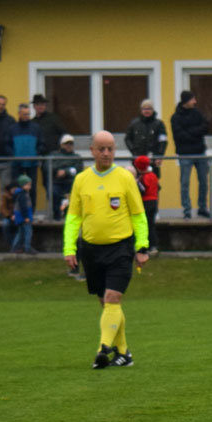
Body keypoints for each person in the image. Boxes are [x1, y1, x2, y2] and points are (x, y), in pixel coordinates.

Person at [64, 131, 151, 369]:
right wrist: (69, 248)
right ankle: (123, 353)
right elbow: (73, 217)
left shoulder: (124, 178)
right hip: (91, 249)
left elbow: (138, 215)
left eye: (110, 149)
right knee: (106, 302)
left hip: (120, 248)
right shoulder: (82, 179)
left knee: (113, 297)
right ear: (92, 151)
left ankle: (103, 349)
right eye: (101, 149)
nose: (106, 153)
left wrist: (142, 246)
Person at [170, 90, 212, 219]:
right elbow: (179, 135)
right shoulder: (176, 117)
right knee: (185, 183)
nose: (195, 101)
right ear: (186, 101)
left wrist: (191, 133)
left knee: (203, 181)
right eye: (192, 99)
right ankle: (187, 210)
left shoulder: (198, 113)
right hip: (185, 154)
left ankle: (202, 208)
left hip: (200, 152)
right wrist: (195, 134)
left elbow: (206, 127)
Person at [10, 102, 41, 205]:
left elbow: (42, 144)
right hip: (17, 163)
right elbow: (7, 144)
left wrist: (36, 153)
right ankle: (17, 209)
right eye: (24, 114)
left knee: (32, 189)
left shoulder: (36, 128)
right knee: (16, 188)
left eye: (28, 114)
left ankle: (31, 210)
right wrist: (13, 154)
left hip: (32, 163)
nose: (27, 116)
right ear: (19, 114)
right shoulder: (13, 129)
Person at [50, 134, 82, 220]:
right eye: (66, 144)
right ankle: (57, 216)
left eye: (71, 144)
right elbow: (49, 167)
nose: (69, 146)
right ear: (61, 145)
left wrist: (65, 172)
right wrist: (60, 171)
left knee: (75, 194)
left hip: (71, 183)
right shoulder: (54, 155)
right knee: (53, 192)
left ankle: (70, 216)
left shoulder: (77, 157)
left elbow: (78, 170)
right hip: (57, 182)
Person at [134, 155, 161, 251]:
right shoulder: (153, 175)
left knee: (145, 225)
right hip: (154, 202)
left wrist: (136, 183)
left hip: (146, 202)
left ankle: (148, 245)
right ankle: (154, 245)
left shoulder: (143, 177)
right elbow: (158, 187)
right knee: (151, 224)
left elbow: (142, 190)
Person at [7, 175, 36, 253]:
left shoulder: (20, 194)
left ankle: (15, 247)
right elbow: (23, 207)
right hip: (24, 218)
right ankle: (27, 248)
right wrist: (26, 217)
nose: (30, 187)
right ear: (23, 185)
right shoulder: (23, 195)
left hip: (20, 217)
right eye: (28, 185)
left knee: (20, 233)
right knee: (28, 233)